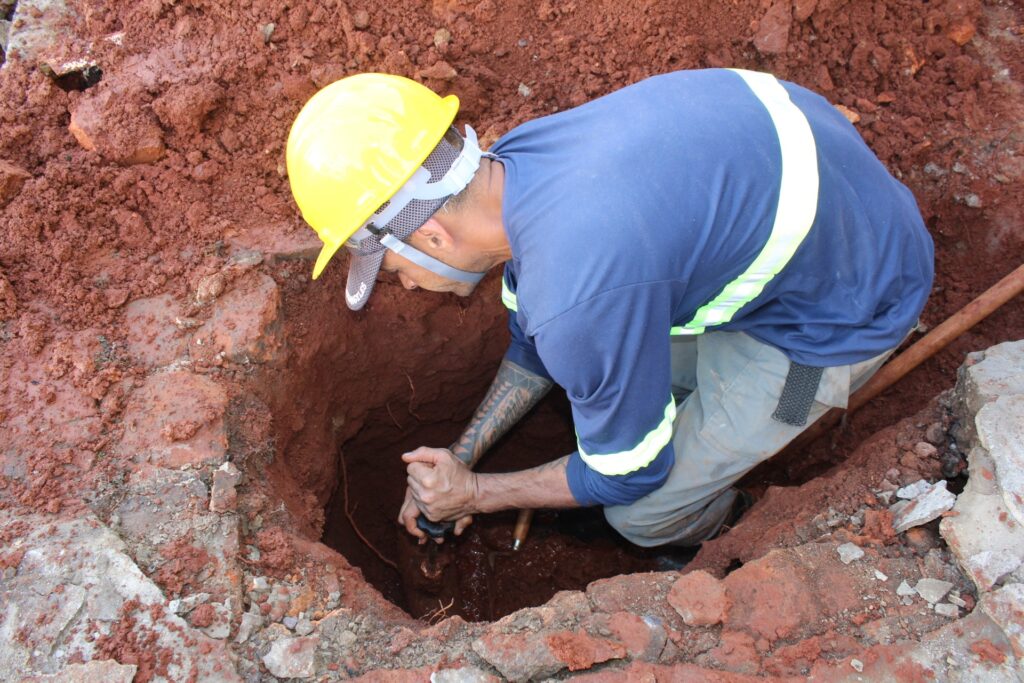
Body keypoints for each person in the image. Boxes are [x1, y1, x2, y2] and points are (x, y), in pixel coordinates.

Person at [285, 69, 934, 549]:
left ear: (431, 236)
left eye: (392, 268)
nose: (404, 284)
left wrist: (476, 495)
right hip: (819, 203)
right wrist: (462, 456)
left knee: (643, 514)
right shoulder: (519, 166)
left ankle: (732, 529)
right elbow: (537, 339)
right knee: (612, 378)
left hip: (846, 308)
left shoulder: (579, 293)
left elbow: (628, 475)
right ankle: (682, 424)